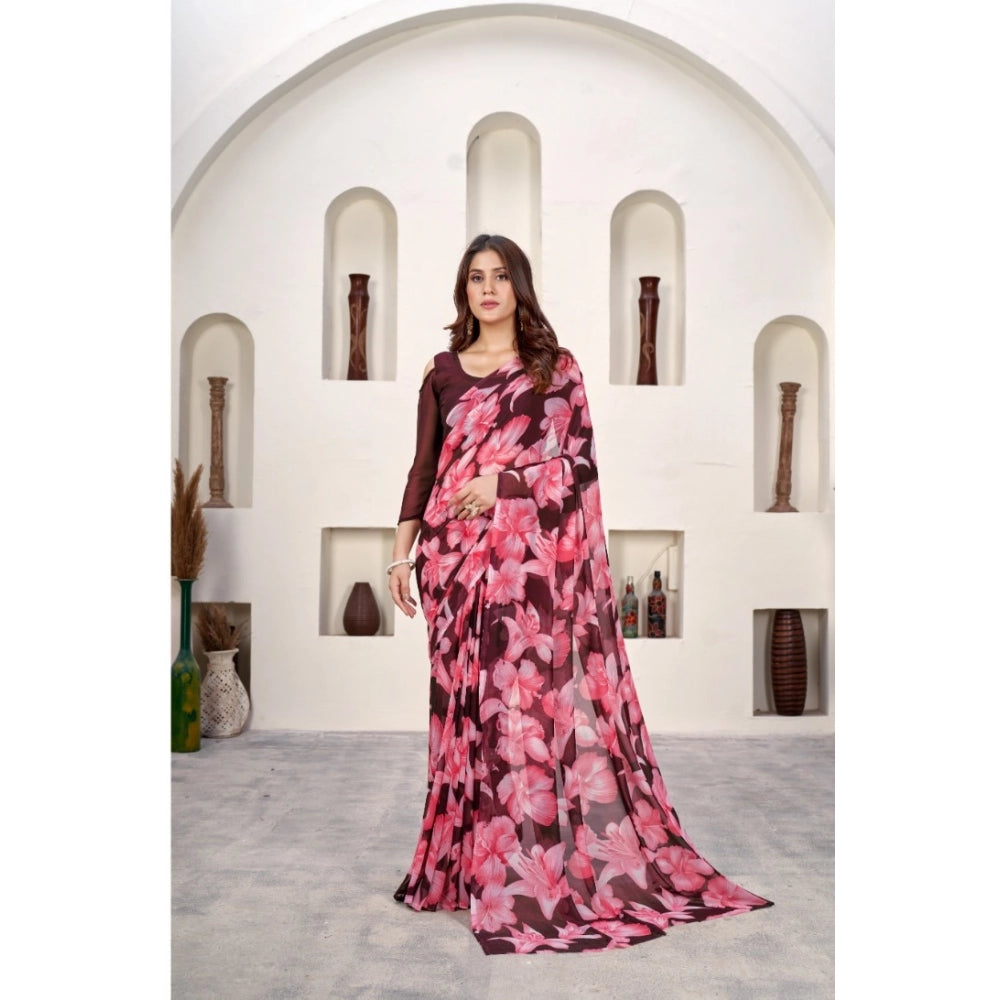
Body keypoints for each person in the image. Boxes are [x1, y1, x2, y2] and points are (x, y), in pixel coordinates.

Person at [388, 234, 771, 955]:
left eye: (501, 276)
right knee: (465, 715)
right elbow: (424, 465)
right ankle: (464, 868)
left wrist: (504, 484)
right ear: (464, 290)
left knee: (523, 715)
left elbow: (580, 468)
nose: (488, 288)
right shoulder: (442, 372)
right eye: (476, 277)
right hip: (453, 563)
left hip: (526, 569)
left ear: (519, 286)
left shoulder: (554, 370)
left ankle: (525, 873)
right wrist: (400, 553)